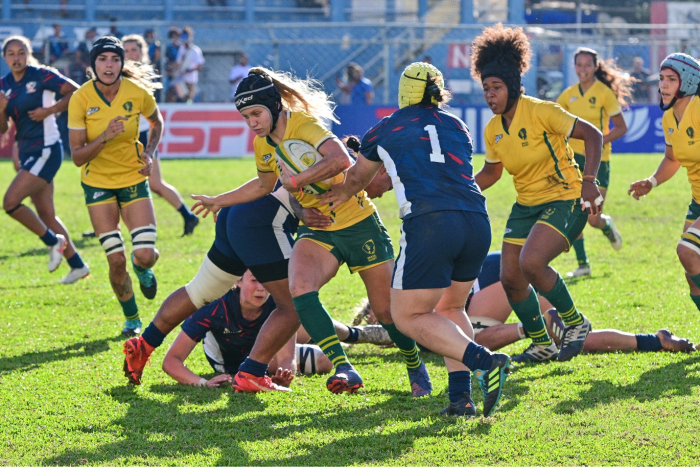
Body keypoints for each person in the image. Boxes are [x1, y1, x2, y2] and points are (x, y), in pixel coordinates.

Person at [191, 68, 431, 397]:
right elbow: (263, 185)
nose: (252, 123)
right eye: (246, 117)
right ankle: (344, 367)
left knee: (387, 312)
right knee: (299, 290)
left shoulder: (304, 125)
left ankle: (414, 363)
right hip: (319, 229)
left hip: (359, 223)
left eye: (256, 113)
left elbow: (341, 159)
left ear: (274, 106)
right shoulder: (262, 142)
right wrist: (220, 200)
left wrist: (297, 182)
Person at [318, 61, 511, 418]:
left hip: (431, 223)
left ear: (403, 91)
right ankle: (461, 399)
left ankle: (483, 360)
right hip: (476, 220)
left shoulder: (386, 127)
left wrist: (338, 195)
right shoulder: (458, 125)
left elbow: (360, 178)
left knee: (406, 316)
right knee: (451, 308)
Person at [123, 136, 393, 390]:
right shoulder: (343, 167)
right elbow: (289, 187)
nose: (381, 195)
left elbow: (280, 179)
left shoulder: (324, 154)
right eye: (388, 184)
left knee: (199, 292)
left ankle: (144, 345)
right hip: (261, 221)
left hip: (239, 214)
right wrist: (301, 212)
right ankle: (252, 371)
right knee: (297, 302)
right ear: (377, 170)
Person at [471, 24, 603, 364]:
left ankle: (576, 323)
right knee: (511, 278)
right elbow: (491, 172)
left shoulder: (543, 110)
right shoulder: (492, 130)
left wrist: (590, 180)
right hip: (526, 206)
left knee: (532, 263)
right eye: (486, 88)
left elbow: (592, 135)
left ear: (512, 86)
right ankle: (542, 342)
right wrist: (459, 189)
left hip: (566, 196)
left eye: (496, 87)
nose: (490, 95)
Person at [68, 37, 163, 335]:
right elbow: (77, 156)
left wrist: (148, 153)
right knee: (116, 258)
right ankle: (132, 318)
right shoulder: (80, 98)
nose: (109, 65)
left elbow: (156, 123)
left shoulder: (137, 93)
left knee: (145, 255)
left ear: (122, 64)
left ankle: (142, 268)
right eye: (102, 59)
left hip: (133, 178)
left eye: (114, 59)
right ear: (93, 64)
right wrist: (105, 137)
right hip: (97, 184)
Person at [162, 270, 392, 387]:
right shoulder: (214, 307)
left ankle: (361, 334)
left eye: (266, 281)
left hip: (268, 341)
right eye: (254, 280)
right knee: (325, 361)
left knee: (306, 319)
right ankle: (357, 336)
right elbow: (171, 360)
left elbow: (286, 356)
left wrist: (285, 371)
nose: (261, 288)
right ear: (237, 281)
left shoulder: (277, 301)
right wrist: (202, 382)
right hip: (234, 360)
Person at [464, 252, 695, 354]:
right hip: (501, 266)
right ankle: (655, 341)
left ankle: (535, 327)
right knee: (572, 340)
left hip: (490, 275)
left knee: (468, 342)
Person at [0, 35, 89, 284]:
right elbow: (2, 128)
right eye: (11, 54)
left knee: (10, 202)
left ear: (28, 53)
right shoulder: (3, 85)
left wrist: (50, 110)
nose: (16, 58)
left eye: (21, 52)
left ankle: (53, 241)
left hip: (47, 149)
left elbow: (77, 92)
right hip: (29, 151)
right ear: (4, 57)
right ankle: (77, 265)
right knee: (47, 215)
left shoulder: (40, 75)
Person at [629, 53, 700, 320]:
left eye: (671, 79)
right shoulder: (669, 118)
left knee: (687, 251)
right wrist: (652, 181)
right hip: (698, 200)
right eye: (661, 79)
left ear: (689, 82)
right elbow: (672, 158)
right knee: (692, 273)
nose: (663, 85)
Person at [556, 47, 631, 278]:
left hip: (599, 160)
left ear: (596, 67)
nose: (583, 69)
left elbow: (621, 127)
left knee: (593, 217)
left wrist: (596, 141)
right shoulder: (567, 95)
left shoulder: (604, 93)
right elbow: (553, 123)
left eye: (587, 65)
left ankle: (606, 226)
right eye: (579, 65)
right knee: (574, 211)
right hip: (573, 160)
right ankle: (583, 264)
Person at [123, 34, 199, 236]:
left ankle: (188, 215)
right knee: (120, 181)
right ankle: (108, 225)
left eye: (133, 50)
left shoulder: (143, 74)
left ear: (142, 52)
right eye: (126, 50)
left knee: (155, 183)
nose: (130, 54)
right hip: (127, 135)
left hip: (141, 135)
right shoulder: (120, 74)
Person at [175, 27, 204, 103]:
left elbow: (200, 65)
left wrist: (189, 71)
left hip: (191, 80)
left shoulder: (195, 50)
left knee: (189, 99)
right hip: (181, 79)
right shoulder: (181, 49)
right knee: (180, 98)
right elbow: (178, 63)